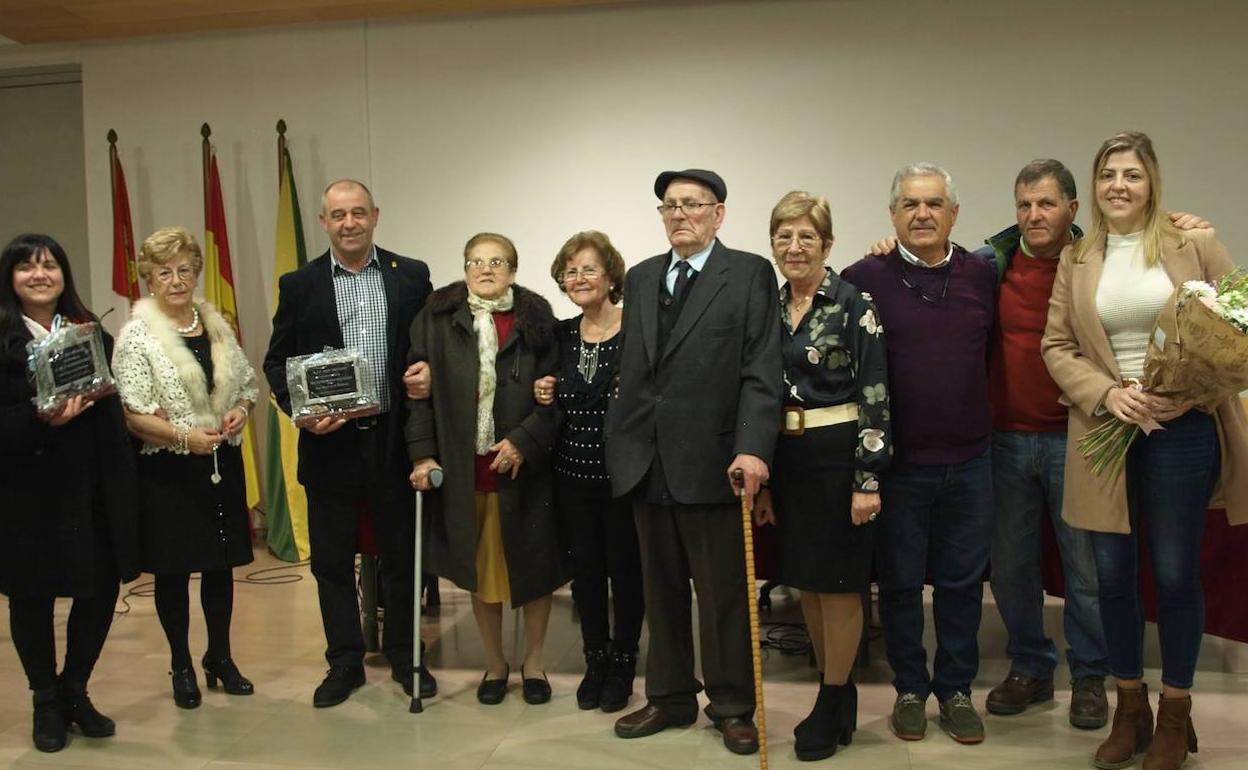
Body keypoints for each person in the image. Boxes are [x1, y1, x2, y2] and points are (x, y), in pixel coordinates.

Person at [1042, 130, 1248, 770]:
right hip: (1106, 428)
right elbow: (1056, 346)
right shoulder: (1076, 259)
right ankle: (1130, 708)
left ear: (1151, 179)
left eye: (1131, 174)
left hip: (1182, 429)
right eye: (1107, 175)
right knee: (1111, 578)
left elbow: (1239, 322)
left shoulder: (1195, 242)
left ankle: (1176, 713)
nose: (1118, 186)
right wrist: (1106, 393)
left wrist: (1190, 392)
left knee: (1177, 572)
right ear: (1094, 186)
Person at [606, 169, 782, 756]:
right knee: (660, 590)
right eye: (669, 206)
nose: (680, 214)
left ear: (719, 213)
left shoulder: (749, 273)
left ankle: (732, 704)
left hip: (716, 461)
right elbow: (636, 373)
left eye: (692, 205)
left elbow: (762, 369)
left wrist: (754, 446)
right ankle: (670, 695)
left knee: (724, 593)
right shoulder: (641, 276)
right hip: (646, 460)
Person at [264, 179, 434, 708]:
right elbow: (276, 363)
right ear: (323, 222)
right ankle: (344, 663)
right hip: (328, 446)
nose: (349, 223)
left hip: (393, 440)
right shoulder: (299, 284)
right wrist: (302, 414)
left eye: (358, 213)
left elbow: (430, 347)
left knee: (403, 557)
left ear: (375, 216)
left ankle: (408, 659)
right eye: (338, 215)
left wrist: (429, 371)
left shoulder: (411, 275)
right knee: (332, 563)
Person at [841, 163, 996, 745]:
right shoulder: (863, 278)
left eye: (934, 204)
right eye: (909, 204)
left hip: (972, 459)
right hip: (898, 467)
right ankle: (910, 686)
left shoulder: (982, 276)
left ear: (954, 213)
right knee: (901, 584)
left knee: (961, 586)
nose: (922, 214)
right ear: (892, 215)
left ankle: (955, 691)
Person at [752, 192, 890, 761]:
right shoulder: (769, 306)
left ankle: (833, 697)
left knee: (840, 586)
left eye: (807, 236)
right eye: (784, 236)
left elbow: (877, 396)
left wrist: (868, 478)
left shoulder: (855, 303)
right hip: (790, 461)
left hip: (840, 459)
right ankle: (836, 691)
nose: (794, 247)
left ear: (828, 244)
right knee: (806, 581)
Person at [406, 232, 567, 706]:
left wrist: (524, 441)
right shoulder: (436, 318)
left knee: (531, 567)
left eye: (497, 261)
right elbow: (416, 394)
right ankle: (495, 664)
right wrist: (421, 453)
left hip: (523, 467)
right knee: (482, 570)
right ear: (465, 267)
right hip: (463, 468)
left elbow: (557, 396)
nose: (485, 269)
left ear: (513, 270)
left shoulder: (537, 319)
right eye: (476, 261)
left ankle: (533, 663)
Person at [0, 234, 140, 752]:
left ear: (65, 274)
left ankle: (75, 688)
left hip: (92, 490)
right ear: (9, 278)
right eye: (26, 267)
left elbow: (113, 422)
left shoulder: (92, 335)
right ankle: (44, 700)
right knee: (32, 598)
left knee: (99, 591)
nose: (39, 275)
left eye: (50, 265)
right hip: (26, 495)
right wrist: (39, 420)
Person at [112, 226, 257, 709]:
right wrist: (183, 437)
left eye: (185, 270)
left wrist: (239, 411)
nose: (176, 280)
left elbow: (246, 386)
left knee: (220, 569)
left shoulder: (215, 324)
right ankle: (180, 663)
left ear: (197, 273)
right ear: (149, 279)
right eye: (164, 272)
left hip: (220, 460)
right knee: (173, 573)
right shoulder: (136, 336)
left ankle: (221, 656)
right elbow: (132, 415)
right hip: (169, 471)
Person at [532, 231, 644, 713]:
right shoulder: (559, 336)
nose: (578, 278)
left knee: (627, 572)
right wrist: (541, 387)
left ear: (611, 276)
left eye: (589, 269)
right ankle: (594, 659)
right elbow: (542, 389)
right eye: (570, 270)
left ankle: (623, 660)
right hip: (571, 476)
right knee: (587, 575)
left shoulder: (638, 330)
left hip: (624, 477)